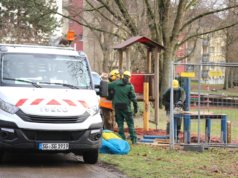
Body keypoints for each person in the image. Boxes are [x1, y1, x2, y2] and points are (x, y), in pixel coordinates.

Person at [108, 70, 138, 144]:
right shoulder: (130, 86)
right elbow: (133, 99)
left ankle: (122, 139)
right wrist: (136, 108)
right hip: (126, 108)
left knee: (120, 124)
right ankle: (134, 140)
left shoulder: (114, 84)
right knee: (130, 124)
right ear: (129, 77)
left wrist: (111, 94)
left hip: (117, 107)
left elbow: (107, 86)